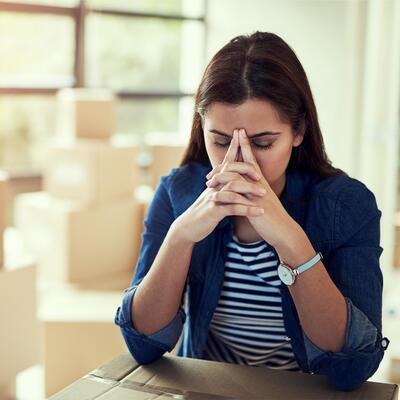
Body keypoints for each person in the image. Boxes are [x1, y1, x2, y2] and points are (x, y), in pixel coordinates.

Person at [114, 31, 390, 391]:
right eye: (220, 141)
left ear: (299, 131)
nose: (240, 160)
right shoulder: (178, 191)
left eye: (262, 143)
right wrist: (181, 236)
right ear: (202, 129)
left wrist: (290, 239)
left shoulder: (346, 205)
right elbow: (143, 345)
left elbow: (352, 367)